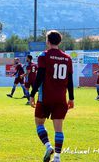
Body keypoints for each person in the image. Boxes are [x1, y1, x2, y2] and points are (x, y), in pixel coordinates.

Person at [29, 30, 74, 162]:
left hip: (46, 97)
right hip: (61, 98)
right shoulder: (67, 58)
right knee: (58, 129)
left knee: (39, 123)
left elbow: (40, 76)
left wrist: (32, 94)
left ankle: (48, 146)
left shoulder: (44, 56)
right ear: (59, 42)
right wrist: (71, 98)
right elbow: (70, 80)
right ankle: (57, 157)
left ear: (47, 41)